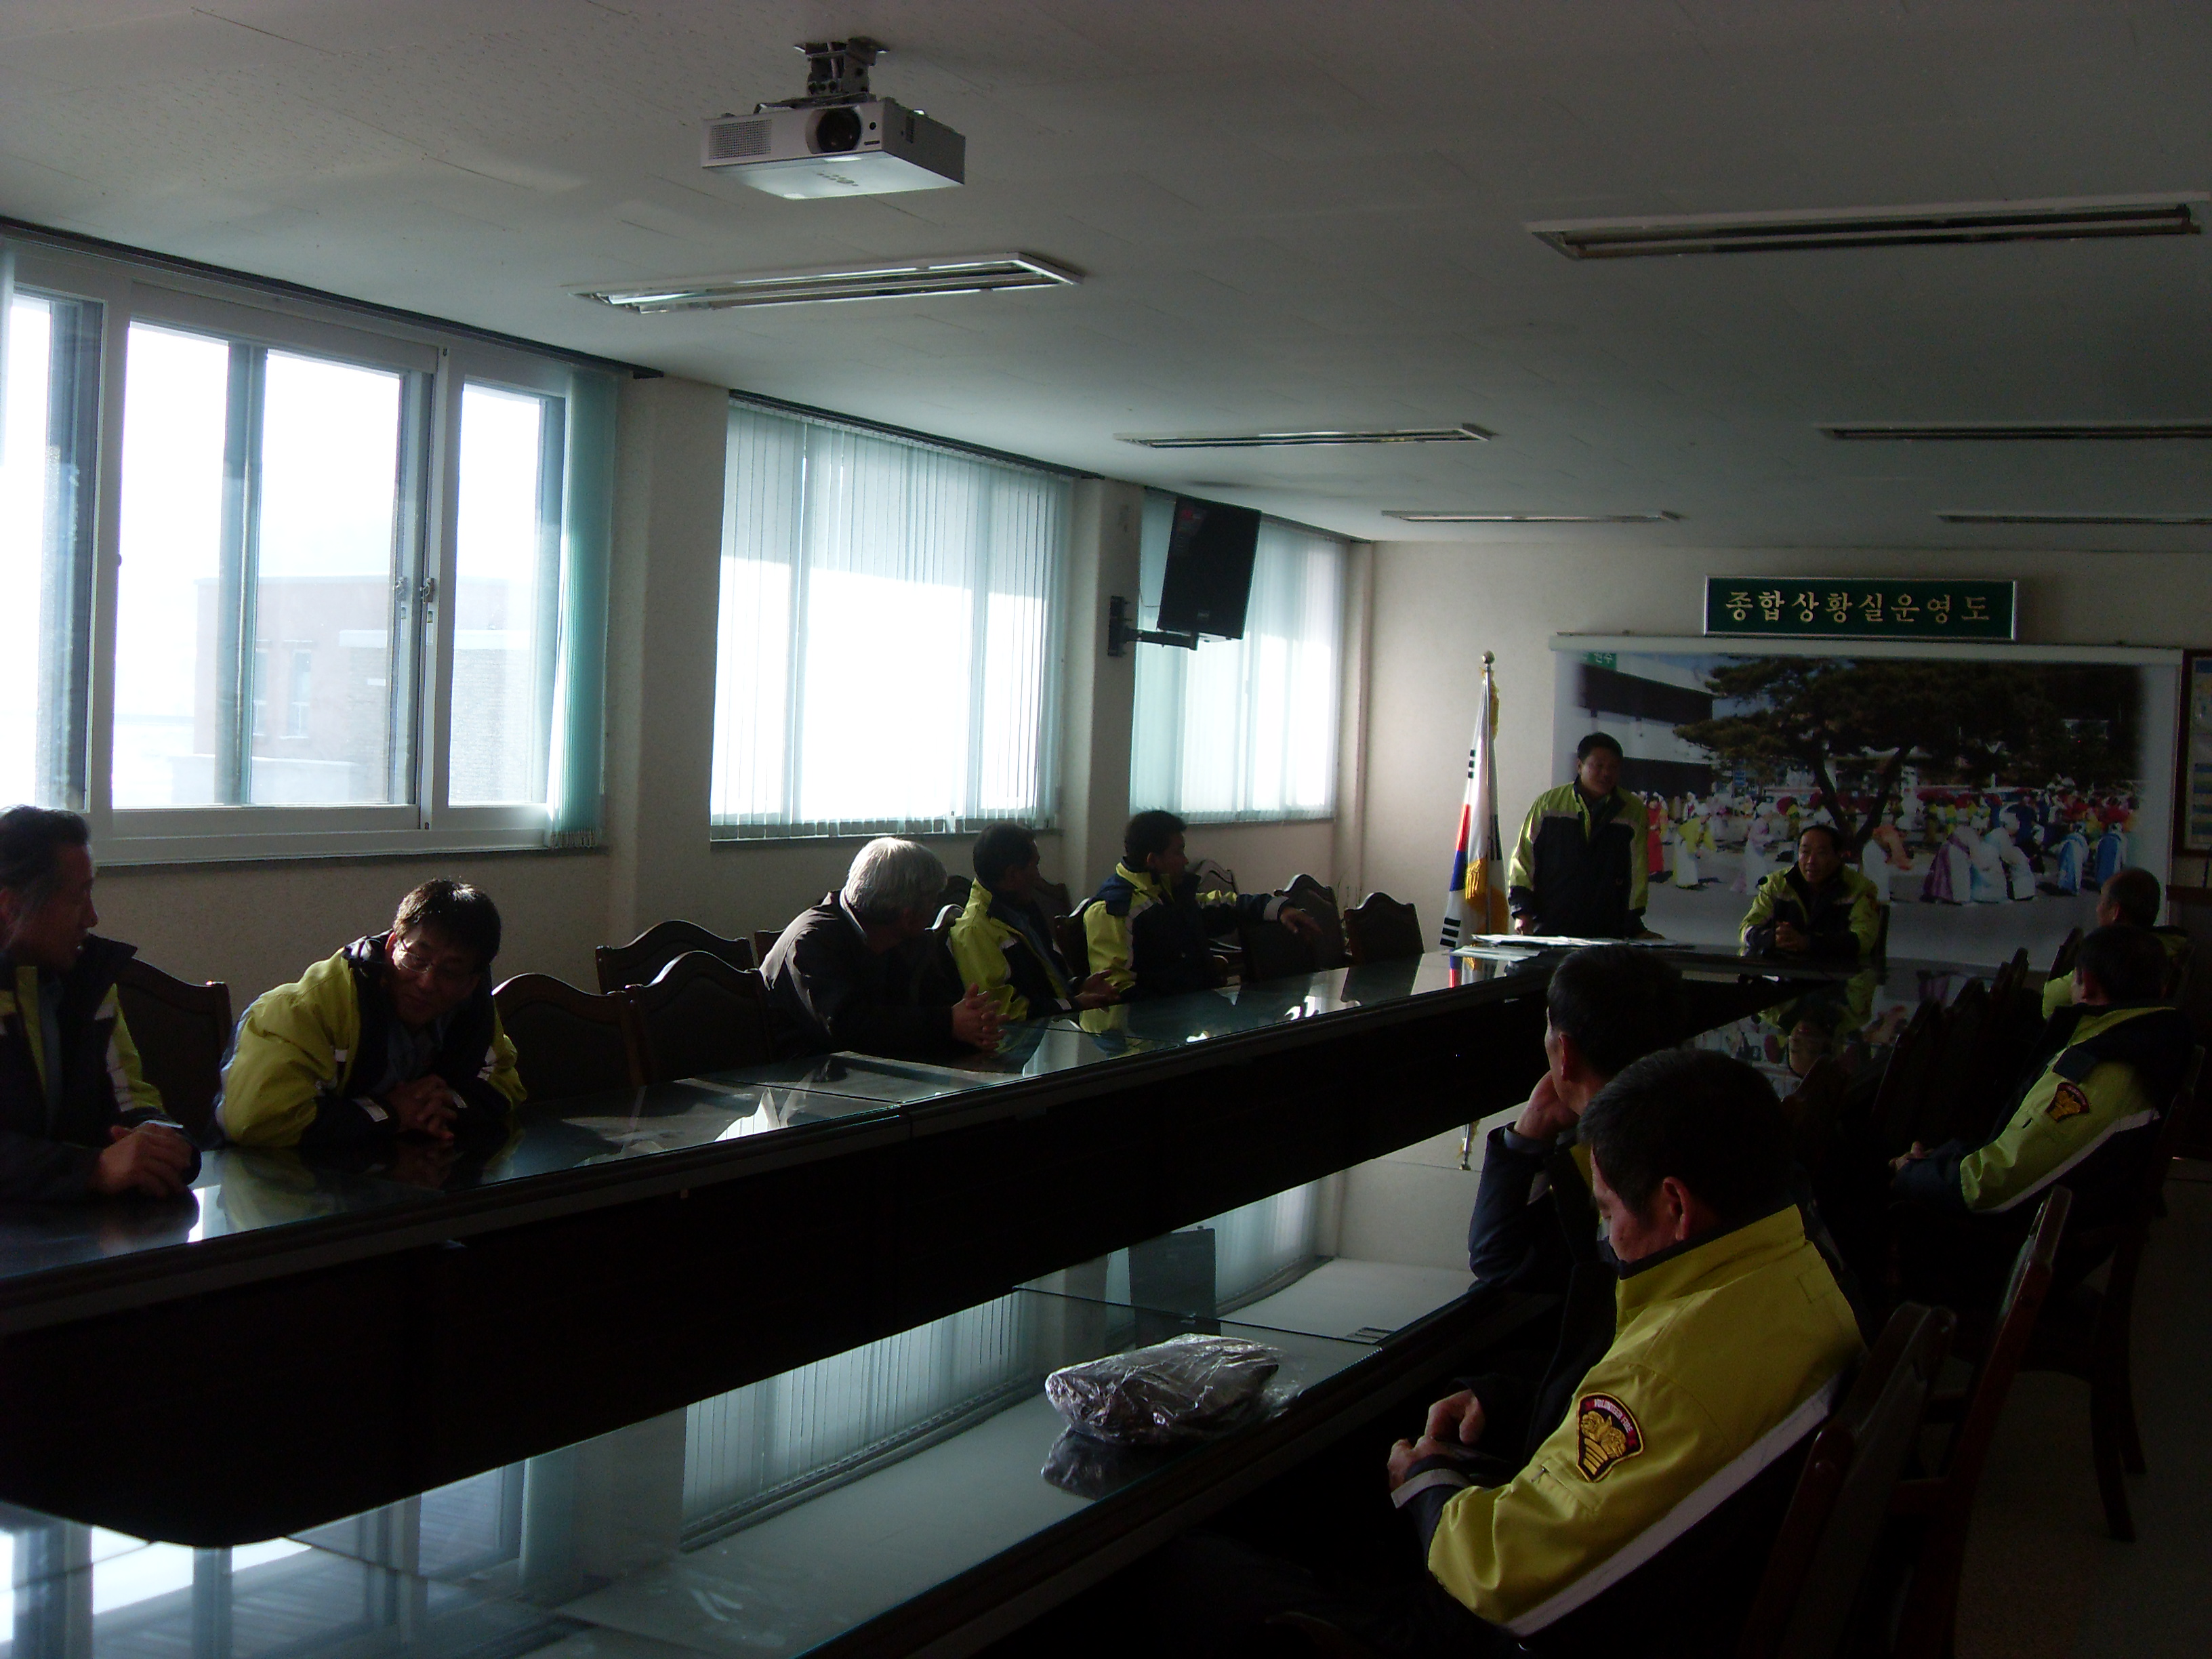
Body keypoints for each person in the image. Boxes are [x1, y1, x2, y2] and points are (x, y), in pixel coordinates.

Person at [1380, 1051, 1862, 1657]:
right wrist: (1511, 1403)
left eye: (1608, 1211)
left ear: (1675, 1206)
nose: (1608, 1238)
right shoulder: (1800, 1267)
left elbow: (1503, 1578)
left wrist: (1425, 1484)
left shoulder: (1660, 1373)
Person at [1893, 924, 2192, 1298]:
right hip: (2063, 1218)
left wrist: (1914, 1173)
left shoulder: (2097, 1071)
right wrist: (1943, 1161)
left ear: (2088, 984)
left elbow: (1989, 1186)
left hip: (2027, 1254)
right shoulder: (2146, 1037)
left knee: (1869, 1190)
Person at [219, 880, 523, 1149]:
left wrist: (443, 1103)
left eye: (451, 971)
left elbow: (505, 1083)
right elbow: (254, 1120)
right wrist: (391, 1112)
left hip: (394, 1172)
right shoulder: (306, 1008)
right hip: (268, 1179)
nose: (427, 982)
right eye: (417, 958)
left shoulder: (470, 1008)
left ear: (471, 982)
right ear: (392, 946)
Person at [0, 806, 199, 1202]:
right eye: (78, 898)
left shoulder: (88, 979)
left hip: (70, 1223)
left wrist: (163, 1142)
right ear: (12, 908)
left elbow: (132, 1100)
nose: (92, 917)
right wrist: (91, 1170)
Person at [1466, 945, 1685, 1294]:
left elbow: (1497, 1259)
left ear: (1565, 1054)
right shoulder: (1685, 1120)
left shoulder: (1620, 1168)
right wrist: (1536, 1126)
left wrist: (1527, 1135)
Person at [763, 837, 1002, 1057]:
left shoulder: (909, 937)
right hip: (805, 1078)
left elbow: (942, 1006)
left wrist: (971, 1026)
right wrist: (947, 1024)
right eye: (932, 902)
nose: (933, 911)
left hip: (885, 1070)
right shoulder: (810, 942)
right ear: (908, 916)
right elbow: (849, 1028)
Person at [1084, 811, 1320, 999]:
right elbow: (1117, 992)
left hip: (1198, 1015)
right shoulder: (1114, 910)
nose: (1185, 860)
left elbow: (1225, 906)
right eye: (1179, 852)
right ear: (1153, 860)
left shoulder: (1168, 893)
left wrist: (1280, 909)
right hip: (1158, 1030)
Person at [949, 823, 1117, 1023]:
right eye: (1035, 865)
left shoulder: (1023, 909)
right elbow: (1003, 1011)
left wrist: (1079, 986)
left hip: (1056, 1026)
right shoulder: (975, 930)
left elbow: (1048, 983)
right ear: (1012, 875)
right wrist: (1074, 1004)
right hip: (1024, 1039)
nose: (1038, 876)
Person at [1507, 733, 1649, 937]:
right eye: (1599, 766)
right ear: (1580, 766)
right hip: (1550, 925)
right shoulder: (1549, 805)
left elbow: (1638, 870)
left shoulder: (1633, 810)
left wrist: (1634, 921)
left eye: (1613, 767)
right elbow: (1524, 859)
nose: (1606, 773)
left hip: (1608, 929)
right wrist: (1522, 911)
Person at [2039, 867, 2190, 1017]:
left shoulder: (2114, 955)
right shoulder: (2166, 946)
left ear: (2115, 912)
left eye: (2101, 902)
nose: (2097, 909)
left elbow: (2052, 1000)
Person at [1739, 823, 1881, 960]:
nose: (1811, 861)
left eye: (1821, 853)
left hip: (1838, 972)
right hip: (1782, 970)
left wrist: (1808, 943)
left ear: (1839, 856)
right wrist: (1773, 938)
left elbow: (1863, 940)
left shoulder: (1860, 888)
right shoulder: (1775, 884)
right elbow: (1746, 929)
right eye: (1805, 852)